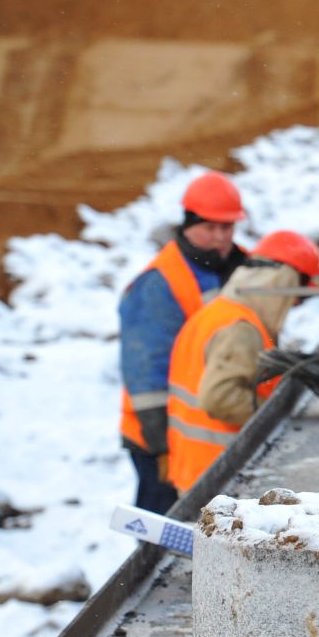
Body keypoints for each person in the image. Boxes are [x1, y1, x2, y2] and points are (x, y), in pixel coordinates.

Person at [118, 170, 249, 512]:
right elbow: (145, 371)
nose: (221, 237)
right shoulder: (159, 284)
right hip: (160, 436)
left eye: (228, 227)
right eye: (211, 227)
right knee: (163, 522)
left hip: (204, 427)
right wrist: (163, 447)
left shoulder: (236, 265)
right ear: (187, 224)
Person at [164, 230, 319, 493]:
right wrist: (280, 415)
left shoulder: (217, 311)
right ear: (283, 281)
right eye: (297, 296)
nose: (295, 304)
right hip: (222, 478)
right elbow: (220, 399)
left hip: (198, 471)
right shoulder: (240, 328)